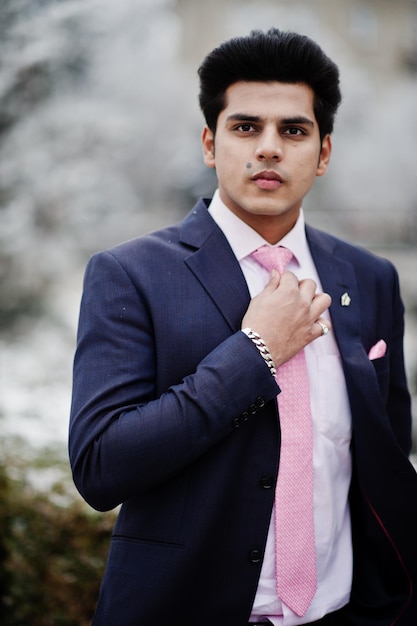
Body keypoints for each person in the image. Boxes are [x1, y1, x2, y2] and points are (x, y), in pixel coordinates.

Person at [69, 28, 417, 625]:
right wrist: (256, 353)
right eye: (246, 127)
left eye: (294, 130)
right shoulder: (130, 274)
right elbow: (102, 466)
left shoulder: (371, 277)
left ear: (324, 152)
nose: (270, 148)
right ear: (210, 143)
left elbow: (387, 451)